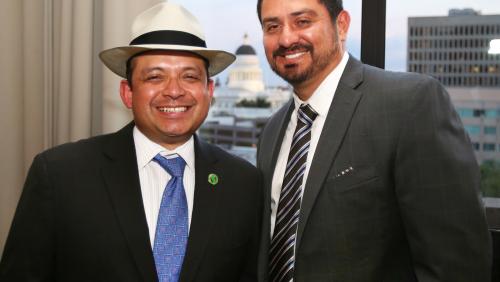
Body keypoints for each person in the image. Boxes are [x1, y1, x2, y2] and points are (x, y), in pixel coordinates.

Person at [0, 2, 262, 282]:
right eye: (155, 77)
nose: (174, 91)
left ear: (209, 90)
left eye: (189, 76)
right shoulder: (60, 176)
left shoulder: (243, 184)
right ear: (127, 92)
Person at [255, 0, 492, 281]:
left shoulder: (410, 104)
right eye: (272, 26)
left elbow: (457, 264)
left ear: (341, 25)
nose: (286, 38)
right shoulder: (272, 132)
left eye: (302, 22)